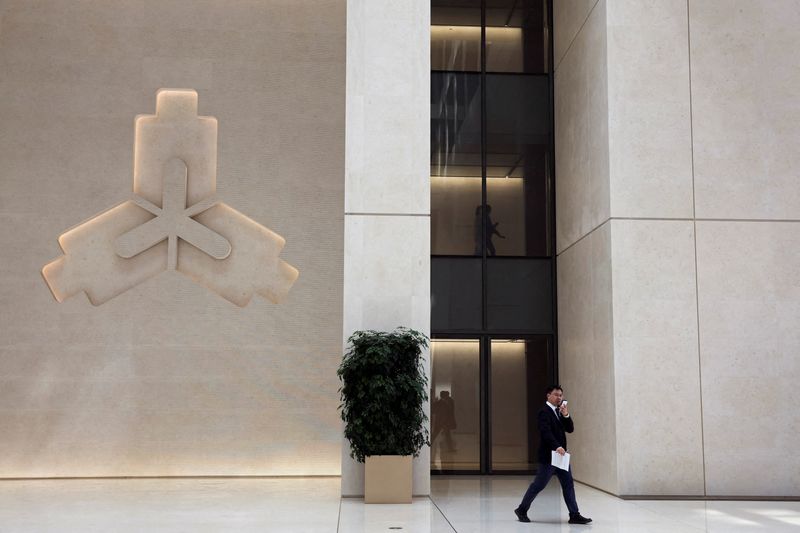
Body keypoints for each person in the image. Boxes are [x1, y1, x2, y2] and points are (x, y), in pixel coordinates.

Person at [514, 385, 592, 525]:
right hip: (549, 456)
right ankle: (521, 509)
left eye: (561, 395)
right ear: (548, 395)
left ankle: (574, 514)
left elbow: (570, 429)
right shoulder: (543, 412)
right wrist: (557, 446)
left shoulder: (559, 411)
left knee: (568, 484)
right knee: (539, 485)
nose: (559, 397)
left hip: (561, 457)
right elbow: (545, 432)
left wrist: (566, 414)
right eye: (556, 395)